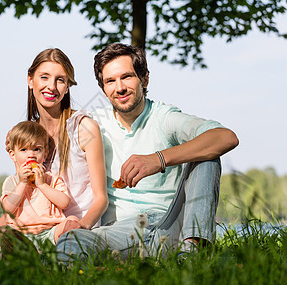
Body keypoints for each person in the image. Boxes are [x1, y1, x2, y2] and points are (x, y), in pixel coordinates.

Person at [56, 43, 239, 260]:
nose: (120, 87)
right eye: (110, 81)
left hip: (171, 224)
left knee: (207, 156)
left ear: (144, 79)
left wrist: (159, 159)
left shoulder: (163, 117)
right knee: (71, 242)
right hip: (121, 232)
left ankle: (192, 254)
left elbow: (226, 137)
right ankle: (103, 275)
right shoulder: (94, 124)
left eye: (127, 77)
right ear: (104, 89)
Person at [0, 48, 108, 251]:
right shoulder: (30, 139)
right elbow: (27, 206)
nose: (51, 86)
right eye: (44, 77)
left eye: (60, 80)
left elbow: (101, 199)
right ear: (30, 80)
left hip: (72, 231)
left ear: (68, 86)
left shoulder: (84, 127)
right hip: (33, 232)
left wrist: (79, 228)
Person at [0, 120, 79, 248]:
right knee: (1, 233)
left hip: (50, 232)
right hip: (21, 234)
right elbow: (8, 208)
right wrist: (22, 183)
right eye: (24, 150)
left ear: (45, 154)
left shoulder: (51, 179)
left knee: (73, 221)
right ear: (13, 155)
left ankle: (66, 258)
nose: (31, 154)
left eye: (37, 149)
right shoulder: (12, 182)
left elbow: (65, 202)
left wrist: (42, 185)